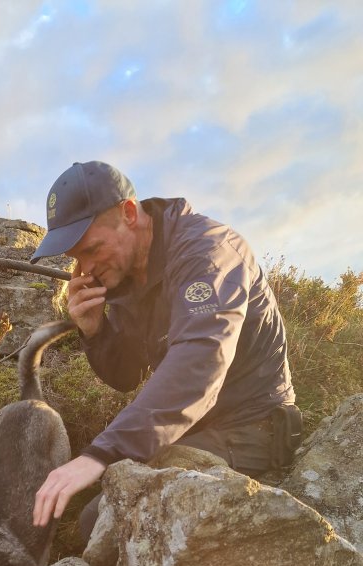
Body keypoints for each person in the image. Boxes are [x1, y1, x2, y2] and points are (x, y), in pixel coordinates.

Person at [29, 160, 302, 539]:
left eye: (91, 248)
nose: (85, 268)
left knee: (104, 520)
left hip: (254, 429)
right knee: (100, 513)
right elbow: (126, 377)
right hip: (196, 433)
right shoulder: (127, 276)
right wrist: (95, 331)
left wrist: (100, 453)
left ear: (128, 214)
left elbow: (198, 367)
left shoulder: (208, 253)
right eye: (76, 258)